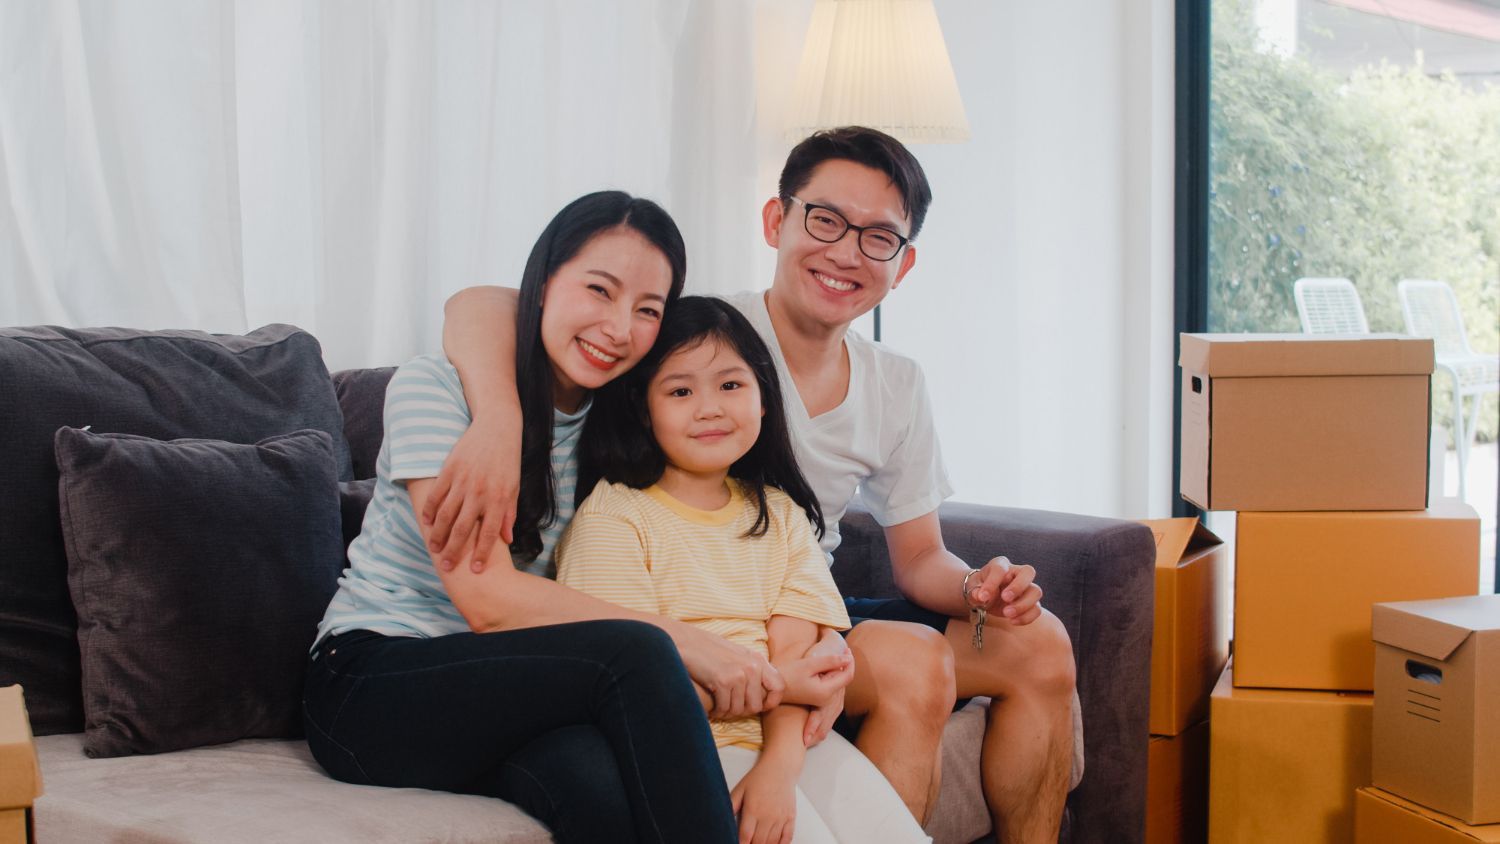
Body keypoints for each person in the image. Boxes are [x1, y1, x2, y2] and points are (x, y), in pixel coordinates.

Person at [431, 128, 1078, 843]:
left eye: (877, 237)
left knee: (1039, 641)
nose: (845, 252)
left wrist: (980, 589)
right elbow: (488, 306)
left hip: (798, 594)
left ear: (905, 261)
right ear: (777, 221)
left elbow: (920, 559)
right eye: (825, 220)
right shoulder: (703, 339)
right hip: (703, 614)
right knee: (911, 663)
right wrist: (497, 414)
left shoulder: (897, 383)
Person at [303, 191, 851, 844]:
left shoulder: (615, 416)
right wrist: (499, 418)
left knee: (597, 786)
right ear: (543, 283)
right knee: (639, 652)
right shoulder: (440, 390)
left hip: (518, 680)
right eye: (599, 289)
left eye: (647, 310)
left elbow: (719, 536)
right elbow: (488, 601)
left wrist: (801, 667)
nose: (619, 327)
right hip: (372, 682)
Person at [554, 295, 929, 844]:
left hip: (787, 740)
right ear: (643, 408)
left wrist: (778, 768)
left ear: (764, 399)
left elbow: (796, 659)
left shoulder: (779, 514)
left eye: (731, 385)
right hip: (682, 747)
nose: (709, 408)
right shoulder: (615, 517)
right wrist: (783, 698)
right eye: (680, 391)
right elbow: (633, 685)